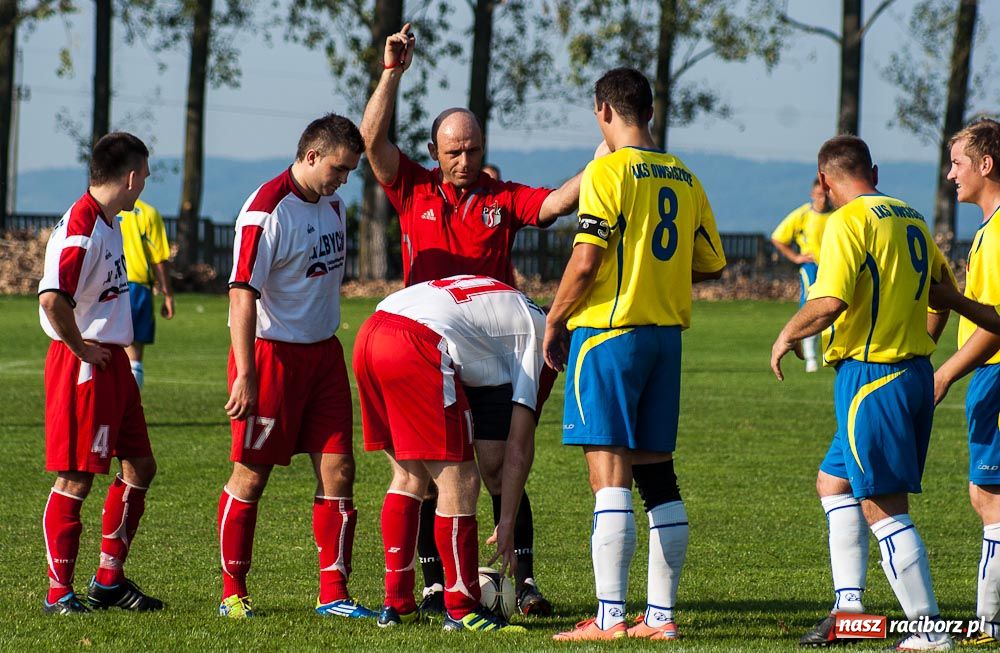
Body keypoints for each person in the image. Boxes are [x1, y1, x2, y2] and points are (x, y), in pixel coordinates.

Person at [360, 22, 584, 616]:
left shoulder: (501, 198)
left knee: (493, 464)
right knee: (433, 473)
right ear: (435, 153)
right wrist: (392, 73)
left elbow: (561, 201)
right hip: (427, 350)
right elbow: (370, 139)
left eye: (473, 149)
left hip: (487, 353)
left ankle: (523, 579)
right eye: (454, 150)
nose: (464, 159)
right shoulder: (412, 188)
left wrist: (612, 156)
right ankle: (436, 587)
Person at [542, 67, 726, 641]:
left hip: (609, 335)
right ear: (649, 110)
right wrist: (658, 271)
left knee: (609, 474)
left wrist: (554, 318)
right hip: (664, 339)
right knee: (658, 476)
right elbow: (713, 263)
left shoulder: (607, 171)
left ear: (603, 111)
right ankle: (662, 619)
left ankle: (610, 618)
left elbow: (586, 259)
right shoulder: (684, 176)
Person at [770, 135, 954, 652]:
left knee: (883, 507)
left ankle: (930, 632)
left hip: (871, 378)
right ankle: (849, 609)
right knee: (834, 483)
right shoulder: (911, 215)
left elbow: (828, 301)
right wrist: (922, 346)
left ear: (825, 181)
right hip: (909, 373)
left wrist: (787, 334)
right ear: (873, 169)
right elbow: (944, 293)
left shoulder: (847, 222)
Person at [216, 113, 374, 620]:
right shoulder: (265, 211)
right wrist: (245, 371)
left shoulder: (334, 206)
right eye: (338, 168)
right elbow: (242, 294)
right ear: (310, 157)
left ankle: (334, 595)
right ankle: (232, 592)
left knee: (340, 469)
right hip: (270, 356)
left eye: (350, 171)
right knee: (252, 474)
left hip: (324, 356)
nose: (343, 179)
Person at [352, 274, 555, 633]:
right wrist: (506, 520)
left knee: (409, 475)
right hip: (418, 342)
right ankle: (462, 607)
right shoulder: (541, 337)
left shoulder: (514, 304)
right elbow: (519, 446)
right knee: (460, 480)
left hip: (372, 330)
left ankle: (397, 604)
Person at [37, 132, 163, 615]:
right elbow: (52, 299)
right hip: (82, 366)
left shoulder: (110, 223)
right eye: (145, 178)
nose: (144, 187)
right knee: (76, 479)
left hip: (112, 364)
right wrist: (82, 347)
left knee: (140, 466)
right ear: (130, 177)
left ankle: (108, 580)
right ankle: (58, 593)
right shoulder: (82, 227)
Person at [926, 119, 1000, 647]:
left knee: (990, 499)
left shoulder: (996, 235)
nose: (951, 174)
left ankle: (990, 621)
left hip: (994, 375)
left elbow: (996, 318)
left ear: (986, 165)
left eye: (957, 163)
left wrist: (946, 374)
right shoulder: (988, 230)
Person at [770, 178, 831, 372]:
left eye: (825, 194)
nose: (822, 199)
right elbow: (778, 238)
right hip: (811, 267)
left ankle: (830, 352)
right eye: (819, 194)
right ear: (812, 195)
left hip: (832, 266)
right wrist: (795, 257)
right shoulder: (803, 215)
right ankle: (810, 356)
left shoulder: (837, 214)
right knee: (810, 306)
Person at [118, 198, 175, 390]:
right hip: (137, 287)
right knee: (134, 354)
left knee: (104, 350)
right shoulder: (147, 213)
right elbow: (158, 258)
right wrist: (168, 295)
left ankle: (110, 411)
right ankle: (128, 410)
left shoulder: (105, 209)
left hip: (106, 286)